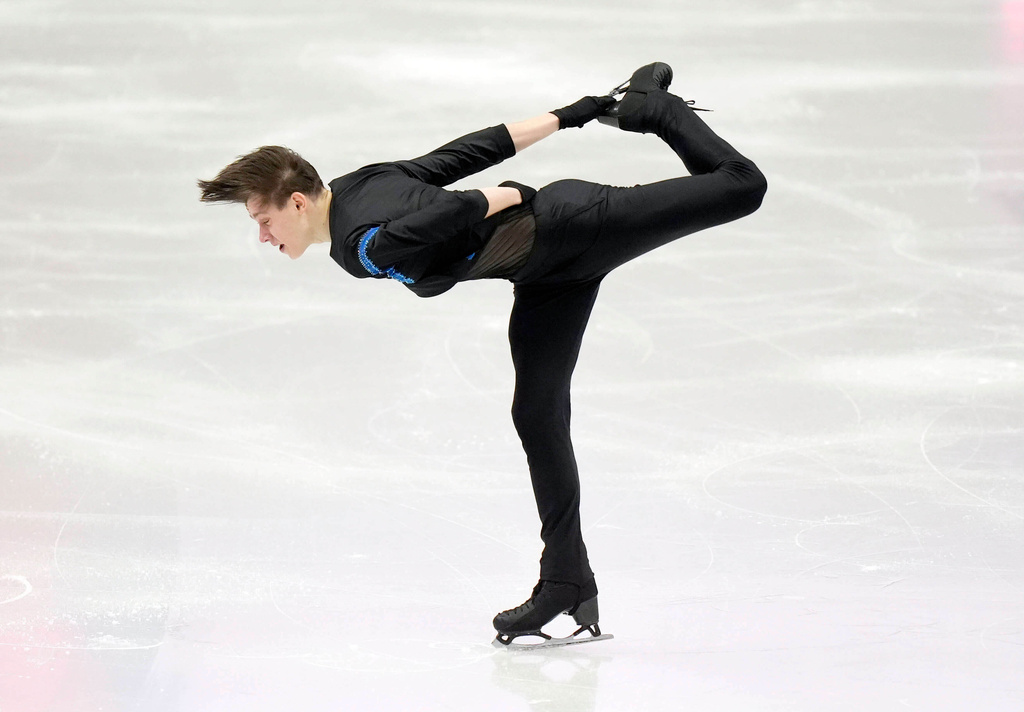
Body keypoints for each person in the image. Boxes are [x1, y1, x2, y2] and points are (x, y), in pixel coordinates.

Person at [198, 62, 767, 647]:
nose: (264, 237)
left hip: (572, 228)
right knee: (536, 413)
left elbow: (446, 208)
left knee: (743, 186)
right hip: (547, 276)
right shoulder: (358, 182)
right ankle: (566, 579)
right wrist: (569, 115)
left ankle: (656, 109)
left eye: (263, 221)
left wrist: (496, 198)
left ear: (295, 203)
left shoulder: (356, 248)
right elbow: (461, 154)